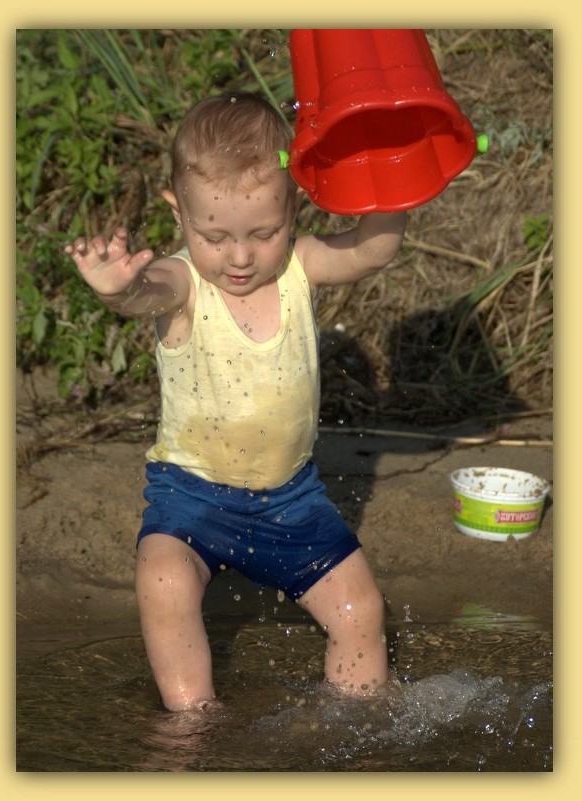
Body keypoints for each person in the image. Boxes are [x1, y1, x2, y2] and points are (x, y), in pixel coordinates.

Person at [64, 92, 407, 711]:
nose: (241, 256)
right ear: (180, 215)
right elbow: (146, 294)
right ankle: (192, 716)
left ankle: (353, 725)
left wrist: (395, 178)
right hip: (191, 495)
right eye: (214, 235)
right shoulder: (182, 281)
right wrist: (119, 289)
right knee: (163, 579)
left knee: (363, 609)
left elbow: (372, 250)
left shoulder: (299, 267)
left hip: (291, 499)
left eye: (264, 232)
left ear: (294, 206)